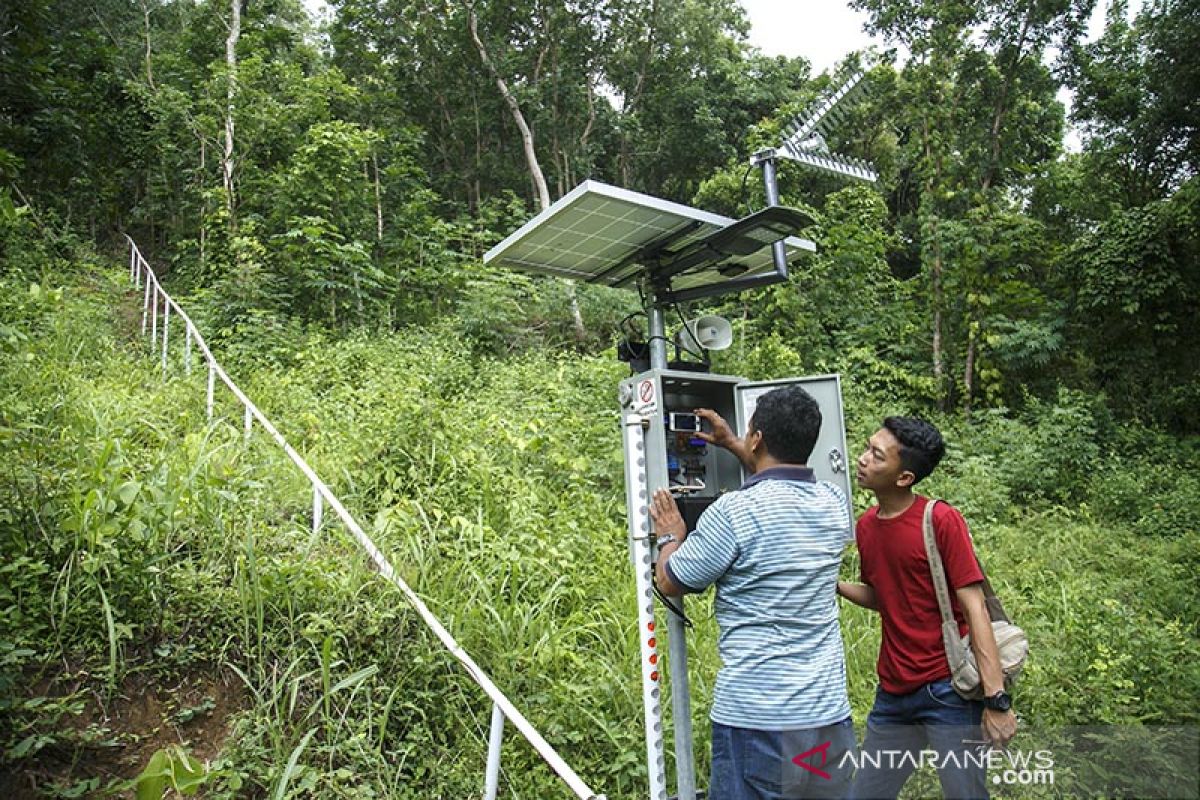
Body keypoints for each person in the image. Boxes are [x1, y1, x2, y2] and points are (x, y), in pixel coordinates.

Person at [650, 385, 855, 800]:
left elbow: (671, 580)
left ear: (757, 438)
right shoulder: (834, 504)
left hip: (759, 720)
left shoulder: (733, 513)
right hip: (829, 715)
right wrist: (736, 447)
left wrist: (671, 535)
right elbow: (779, 485)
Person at [837, 417, 1018, 800]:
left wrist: (996, 701)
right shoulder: (866, 527)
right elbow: (884, 596)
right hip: (893, 693)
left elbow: (975, 609)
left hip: (948, 691)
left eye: (876, 455)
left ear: (904, 477)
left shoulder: (939, 520)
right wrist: (833, 586)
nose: (862, 458)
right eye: (868, 447)